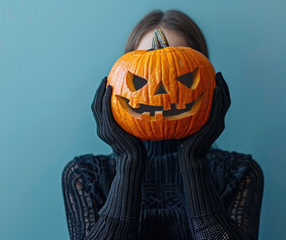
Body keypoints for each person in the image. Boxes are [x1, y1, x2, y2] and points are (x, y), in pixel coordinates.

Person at [62, 10, 264, 240]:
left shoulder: (239, 173)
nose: (161, 93)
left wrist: (193, 160)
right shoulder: (85, 177)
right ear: (117, 84)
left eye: (181, 75)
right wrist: (128, 160)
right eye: (142, 77)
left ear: (210, 83)